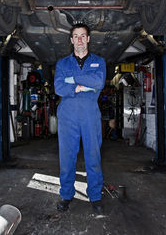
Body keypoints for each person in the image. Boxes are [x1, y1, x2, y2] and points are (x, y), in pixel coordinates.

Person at [54, 23, 106, 214]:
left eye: (83, 36)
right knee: (66, 158)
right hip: (67, 115)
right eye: (76, 36)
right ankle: (66, 194)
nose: (79, 40)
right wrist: (85, 83)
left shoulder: (99, 61)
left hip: (90, 115)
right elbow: (58, 87)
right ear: (71, 40)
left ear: (88, 39)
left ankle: (95, 196)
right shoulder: (62, 63)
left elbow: (98, 82)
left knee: (93, 157)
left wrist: (72, 80)